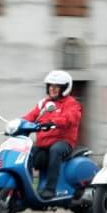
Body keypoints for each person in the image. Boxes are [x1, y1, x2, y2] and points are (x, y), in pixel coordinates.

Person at [22, 70, 82, 199]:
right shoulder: (44, 104)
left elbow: (71, 118)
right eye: (50, 86)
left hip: (64, 142)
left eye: (56, 86)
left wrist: (54, 121)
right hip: (44, 144)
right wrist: (18, 123)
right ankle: (24, 188)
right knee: (26, 153)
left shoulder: (71, 103)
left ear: (64, 88)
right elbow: (30, 116)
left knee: (55, 150)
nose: (52, 89)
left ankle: (50, 189)